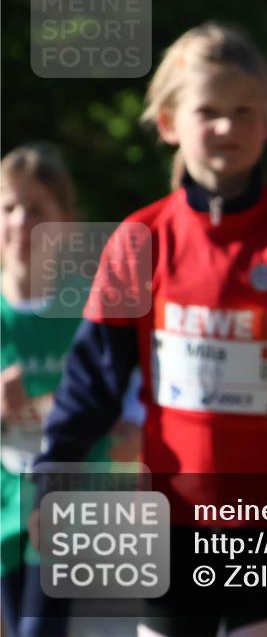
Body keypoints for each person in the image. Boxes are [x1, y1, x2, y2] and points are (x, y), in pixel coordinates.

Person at [32, 23, 267, 637]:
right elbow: (92, 379)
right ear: (169, 122)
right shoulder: (139, 239)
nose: (226, 127)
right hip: (172, 515)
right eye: (208, 111)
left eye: (244, 111)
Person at [0, 143, 142, 637]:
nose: (20, 222)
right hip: (4, 499)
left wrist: (128, 420)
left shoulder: (89, 306)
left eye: (36, 209)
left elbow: (131, 381)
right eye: (9, 208)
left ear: (67, 226)